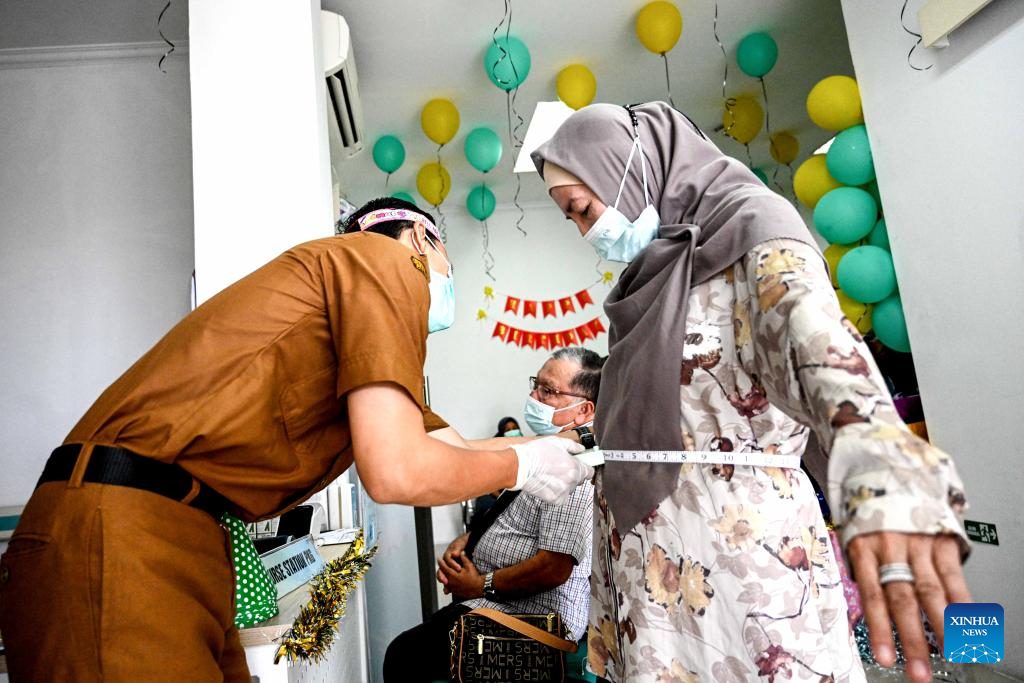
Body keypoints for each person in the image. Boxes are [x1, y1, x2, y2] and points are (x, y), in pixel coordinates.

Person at [0, 197, 592, 682]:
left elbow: (454, 449)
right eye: (448, 266)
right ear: (420, 239)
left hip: (186, 533)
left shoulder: (346, 320)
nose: (443, 284)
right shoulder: (386, 262)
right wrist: (525, 465)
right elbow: (398, 470)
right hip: (124, 528)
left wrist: (557, 451)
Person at [531, 103, 970, 683]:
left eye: (583, 209)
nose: (587, 231)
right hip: (648, 575)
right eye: (572, 219)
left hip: (740, 565)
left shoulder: (756, 230)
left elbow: (818, 348)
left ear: (629, 166)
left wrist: (880, 468)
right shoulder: (652, 276)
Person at [383, 347, 604, 683]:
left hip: (534, 618)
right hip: (498, 603)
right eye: (535, 385)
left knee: (405, 656)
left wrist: (479, 584)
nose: (534, 397)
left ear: (584, 409)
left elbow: (554, 568)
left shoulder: (576, 466)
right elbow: (515, 510)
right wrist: (471, 539)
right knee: (412, 648)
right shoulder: (550, 449)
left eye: (548, 391)